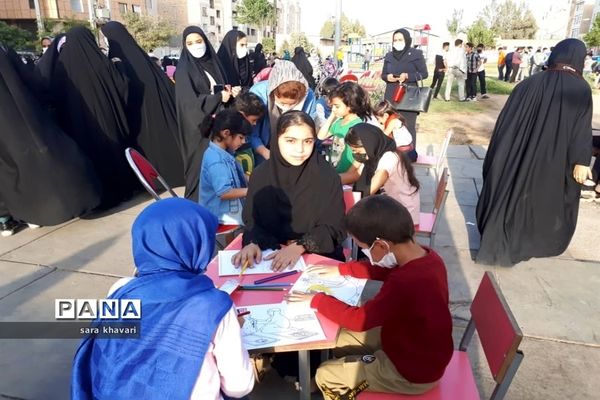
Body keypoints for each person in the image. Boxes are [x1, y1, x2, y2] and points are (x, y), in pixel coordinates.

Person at [71, 198, 254, 399]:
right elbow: (239, 386)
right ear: (196, 244)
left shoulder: (120, 290)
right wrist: (230, 329)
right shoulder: (212, 307)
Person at [285, 195, 453, 398]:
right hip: (411, 346)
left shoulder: (405, 281)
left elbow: (359, 320)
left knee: (325, 375)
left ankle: (343, 387)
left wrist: (317, 299)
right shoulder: (427, 257)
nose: (366, 254)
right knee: (338, 339)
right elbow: (384, 271)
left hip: (410, 372)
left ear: (381, 246)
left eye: (364, 248)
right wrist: (341, 270)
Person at [476, 39, 593, 266]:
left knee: (511, 190)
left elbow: (505, 124)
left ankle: (498, 239)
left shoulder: (529, 83)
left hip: (516, 154)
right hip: (552, 159)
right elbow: (581, 129)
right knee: (536, 199)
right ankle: (523, 242)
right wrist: (581, 161)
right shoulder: (580, 88)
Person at [0, 46, 101, 228]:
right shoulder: (6, 53)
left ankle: (7, 219)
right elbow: (34, 82)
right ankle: (37, 212)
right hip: (26, 113)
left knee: (8, 169)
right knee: (38, 159)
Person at [232, 111, 346, 272]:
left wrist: (301, 246)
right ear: (276, 139)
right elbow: (252, 220)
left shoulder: (327, 176)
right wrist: (252, 242)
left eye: (307, 141)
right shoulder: (261, 175)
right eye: (291, 141)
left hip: (318, 259)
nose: (300, 149)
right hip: (268, 259)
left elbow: (335, 226)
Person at [51, 26, 138, 208]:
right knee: (113, 153)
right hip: (108, 121)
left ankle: (98, 196)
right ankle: (122, 190)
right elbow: (123, 87)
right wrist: (119, 66)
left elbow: (56, 97)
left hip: (79, 125)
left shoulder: (62, 68)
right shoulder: (103, 63)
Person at [101, 21, 185, 187]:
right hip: (160, 111)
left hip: (138, 114)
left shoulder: (117, 60)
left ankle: (154, 179)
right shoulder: (140, 56)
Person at [176, 26, 239, 202]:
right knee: (201, 168)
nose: (195, 46)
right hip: (198, 130)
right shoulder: (184, 70)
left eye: (198, 41)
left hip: (217, 124)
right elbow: (189, 103)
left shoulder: (214, 63)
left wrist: (228, 92)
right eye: (190, 43)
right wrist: (218, 97)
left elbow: (218, 87)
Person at [343, 124, 420, 224]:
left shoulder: (389, 158)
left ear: (369, 144)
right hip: (390, 207)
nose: (356, 154)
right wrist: (330, 180)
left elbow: (370, 189)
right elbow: (356, 174)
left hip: (403, 214)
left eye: (357, 150)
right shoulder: (375, 154)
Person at [248, 60, 317, 163]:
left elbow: (310, 128)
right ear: (273, 93)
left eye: (292, 104)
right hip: (264, 148)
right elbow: (252, 131)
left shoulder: (308, 96)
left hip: (295, 151)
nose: (287, 108)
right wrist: (265, 153)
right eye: (283, 103)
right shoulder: (259, 94)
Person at [199, 110, 252, 225]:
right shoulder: (216, 160)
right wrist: (252, 190)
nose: (243, 142)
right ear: (226, 133)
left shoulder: (225, 152)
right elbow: (225, 193)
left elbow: (237, 177)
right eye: (241, 137)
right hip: (219, 215)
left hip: (229, 209)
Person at [382, 29, 428, 162]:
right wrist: (387, 77)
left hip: (409, 96)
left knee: (408, 125)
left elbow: (424, 74)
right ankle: (391, 153)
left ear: (407, 40)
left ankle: (410, 155)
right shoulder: (389, 55)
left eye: (400, 39)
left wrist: (408, 76)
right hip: (391, 95)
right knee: (390, 124)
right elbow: (383, 74)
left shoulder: (416, 54)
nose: (397, 42)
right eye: (395, 40)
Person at [317, 82, 372, 174]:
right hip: (336, 171)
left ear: (350, 105)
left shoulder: (357, 125)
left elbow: (362, 154)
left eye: (337, 106)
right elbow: (321, 136)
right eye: (332, 106)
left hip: (348, 173)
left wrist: (350, 174)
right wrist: (331, 117)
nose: (333, 109)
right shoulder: (339, 123)